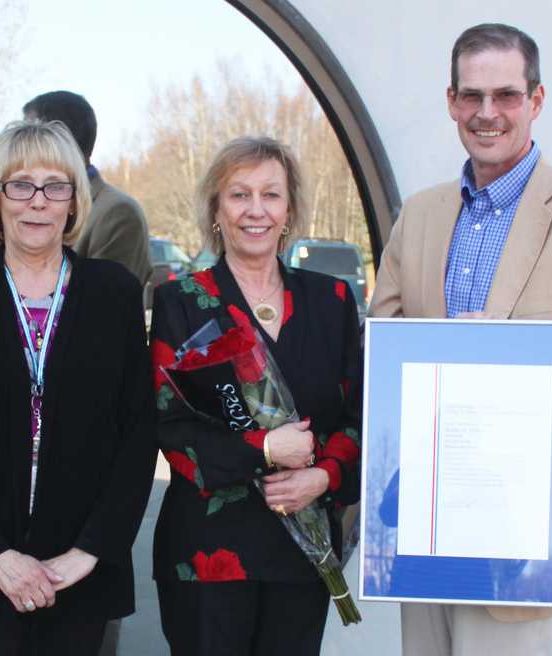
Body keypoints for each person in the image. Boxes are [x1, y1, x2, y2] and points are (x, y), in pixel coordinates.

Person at [369, 23, 552, 656]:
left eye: (506, 95)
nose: (486, 113)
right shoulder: (419, 215)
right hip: (426, 537)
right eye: (471, 96)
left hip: (526, 542)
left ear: (537, 100)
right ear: (451, 102)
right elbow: (380, 357)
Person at [0, 120, 156, 655]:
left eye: (56, 185)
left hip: (80, 572)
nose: (38, 202)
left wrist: (89, 552)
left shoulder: (112, 292)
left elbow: (138, 433)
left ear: (75, 200)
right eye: (19, 184)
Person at [149, 136, 362, 655]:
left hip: (302, 557)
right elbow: (168, 428)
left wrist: (322, 476)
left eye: (271, 195)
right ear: (216, 210)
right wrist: (265, 451)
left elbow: (359, 417)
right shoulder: (181, 302)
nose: (255, 210)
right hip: (207, 556)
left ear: (289, 210)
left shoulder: (330, 301)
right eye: (239, 195)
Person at [23, 90, 152, 286]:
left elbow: (106, 304)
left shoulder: (117, 213)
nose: (17, 147)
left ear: (59, 140)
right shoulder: (22, 204)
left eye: (27, 135)